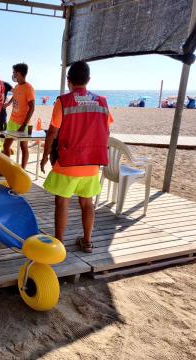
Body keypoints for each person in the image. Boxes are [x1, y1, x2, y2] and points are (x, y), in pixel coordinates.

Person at [40, 61, 113, 253]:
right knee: (87, 202)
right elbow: (106, 128)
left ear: (68, 80)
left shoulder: (63, 101)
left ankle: (60, 243)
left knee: (62, 201)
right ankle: (87, 241)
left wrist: (45, 155)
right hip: (91, 163)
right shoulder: (102, 102)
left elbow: (52, 133)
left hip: (68, 161)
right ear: (88, 80)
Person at [3, 63, 35, 168]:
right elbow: (15, 96)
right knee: (6, 145)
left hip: (23, 123)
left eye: (14, 73)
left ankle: (23, 170)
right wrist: (8, 104)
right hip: (12, 121)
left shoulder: (29, 88)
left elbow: (32, 107)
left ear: (19, 73)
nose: (13, 75)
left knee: (23, 147)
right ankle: (7, 167)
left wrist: (24, 125)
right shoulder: (16, 86)